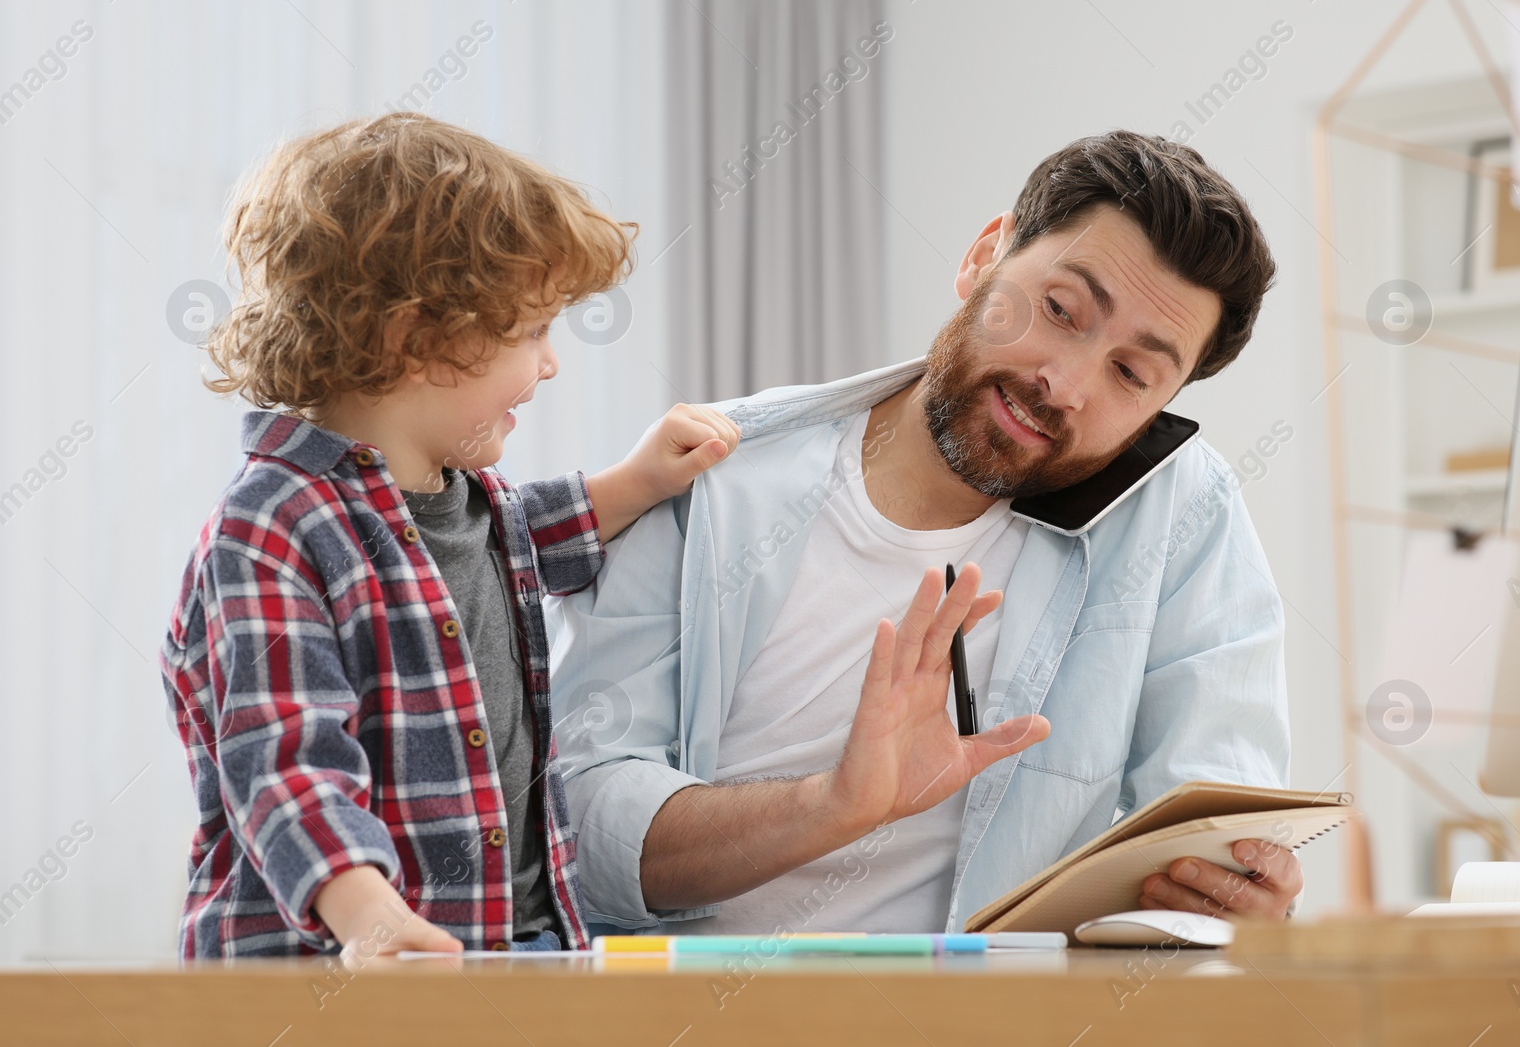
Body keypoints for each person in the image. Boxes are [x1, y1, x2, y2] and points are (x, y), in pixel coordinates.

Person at [548, 130, 1301, 937]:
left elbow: (1210, 817)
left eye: (1131, 374)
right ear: (985, 257)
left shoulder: (1179, 511)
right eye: (1059, 310)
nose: (1064, 384)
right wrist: (835, 806)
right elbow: (579, 830)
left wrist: (1235, 889)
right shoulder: (707, 471)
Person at [158, 112, 740, 959]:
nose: (549, 364)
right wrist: (368, 914)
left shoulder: (469, 502)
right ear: (418, 338)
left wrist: (640, 480)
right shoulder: (271, 528)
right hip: (338, 972)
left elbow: (529, 532)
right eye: (532, 331)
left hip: (503, 949)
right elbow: (285, 763)